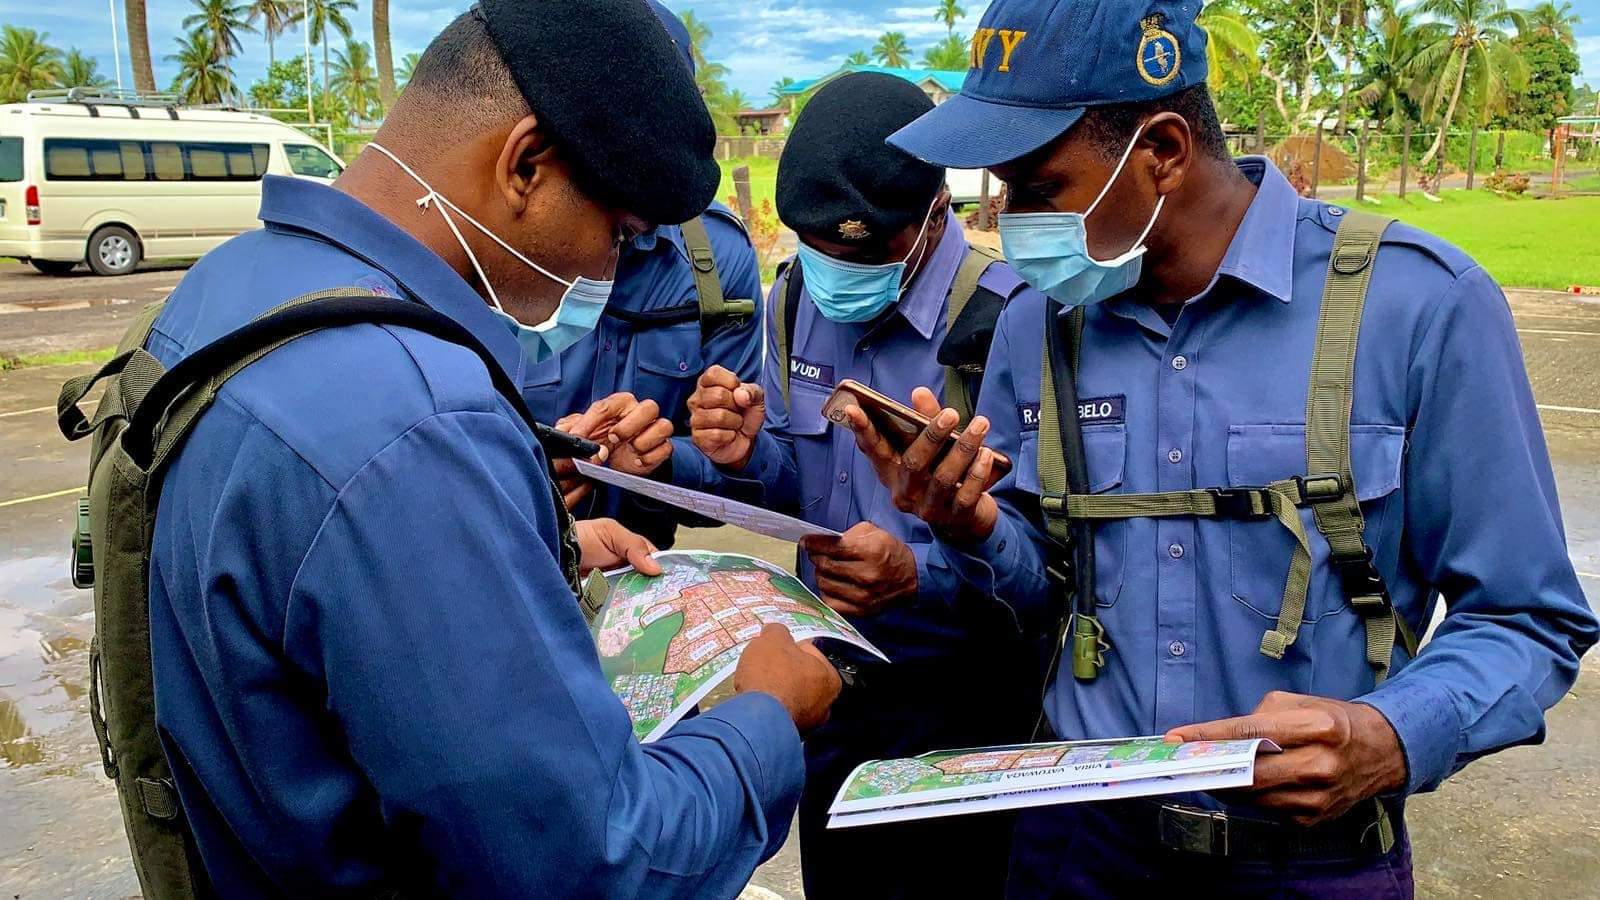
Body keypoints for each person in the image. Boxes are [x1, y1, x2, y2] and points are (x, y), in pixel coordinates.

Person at [848, 0, 1600, 896]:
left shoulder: (1418, 308)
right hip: (1077, 852)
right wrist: (969, 526)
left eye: (1039, 189)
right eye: (1001, 190)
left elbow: (1527, 618)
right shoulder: (1034, 326)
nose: (1009, 221)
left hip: (1309, 867)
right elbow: (1040, 591)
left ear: (1163, 151)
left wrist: (1394, 735)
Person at [136, 3, 838, 895]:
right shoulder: (418, 421)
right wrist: (767, 717)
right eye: (620, 234)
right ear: (525, 164)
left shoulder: (233, 287)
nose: (610, 268)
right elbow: (590, 866)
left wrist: (527, 547)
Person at [676, 71, 1047, 899]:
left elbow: (1042, 569)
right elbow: (790, 483)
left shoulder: (1012, 321)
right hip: (831, 696)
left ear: (933, 217)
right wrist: (744, 453)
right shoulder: (793, 298)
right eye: (821, 247)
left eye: (866, 251)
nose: (838, 269)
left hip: (962, 717)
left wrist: (921, 573)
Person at [539, 1, 766, 550]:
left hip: (644, 576)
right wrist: (526, 466)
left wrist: (660, 460)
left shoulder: (718, 260)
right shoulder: (494, 250)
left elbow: (736, 484)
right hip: (509, 564)